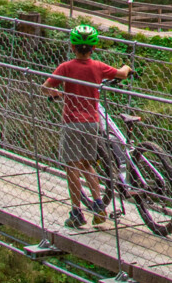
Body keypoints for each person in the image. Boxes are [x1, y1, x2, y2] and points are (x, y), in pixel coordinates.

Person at [42, 24, 132, 229]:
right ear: (94, 48)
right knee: (87, 164)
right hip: (92, 122)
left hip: (72, 122)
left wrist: (60, 94)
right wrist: (127, 68)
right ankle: (99, 203)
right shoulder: (99, 67)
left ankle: (76, 212)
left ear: (73, 47)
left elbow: (46, 88)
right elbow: (121, 74)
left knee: (71, 166)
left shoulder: (65, 67)